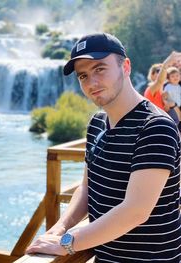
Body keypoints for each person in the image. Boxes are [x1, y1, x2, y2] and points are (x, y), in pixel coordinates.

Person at [26, 33, 181, 262]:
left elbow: (136, 211)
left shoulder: (156, 127)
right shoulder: (97, 123)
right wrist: (59, 228)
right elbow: (87, 188)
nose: (91, 83)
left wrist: (68, 243)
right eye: (83, 76)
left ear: (125, 66)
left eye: (100, 69)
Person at [144, 59, 180, 126]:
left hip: (166, 123)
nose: (162, 73)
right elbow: (159, 81)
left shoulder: (164, 91)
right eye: (158, 71)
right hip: (157, 124)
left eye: (163, 71)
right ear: (152, 75)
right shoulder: (151, 89)